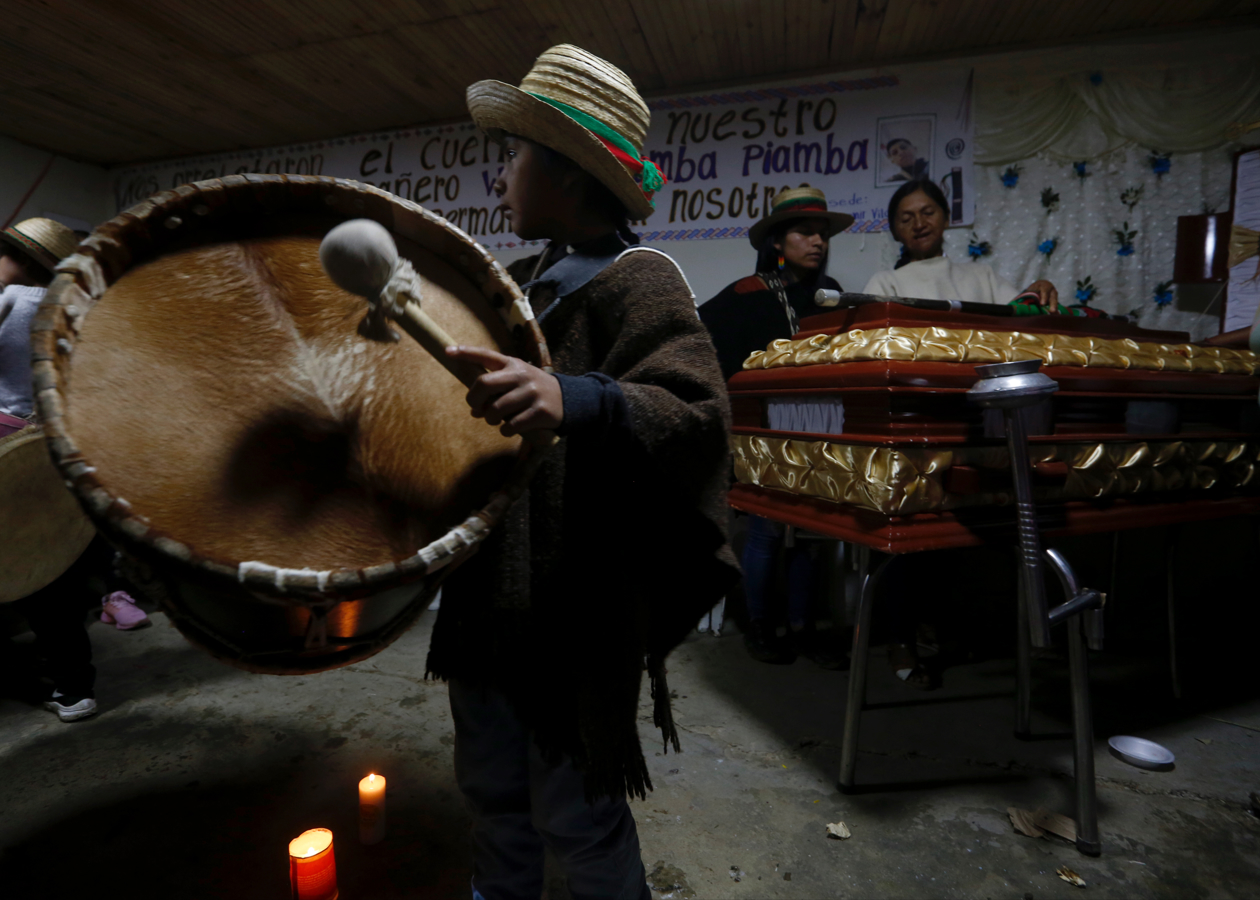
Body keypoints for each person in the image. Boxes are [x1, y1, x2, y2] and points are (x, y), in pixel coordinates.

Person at [427, 45, 738, 899]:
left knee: (576, 808)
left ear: (565, 175)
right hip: (490, 595)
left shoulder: (642, 279)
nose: (502, 177)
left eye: (515, 157)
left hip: (576, 602)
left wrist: (579, 399)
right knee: (489, 787)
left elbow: (697, 411)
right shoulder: (518, 284)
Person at [0, 218, 147, 722]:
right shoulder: (82, 310)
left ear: (21, 258)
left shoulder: (14, 298)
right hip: (53, 449)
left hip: (6, 443)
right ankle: (73, 687)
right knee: (53, 574)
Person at [699, 187, 852, 668]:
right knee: (767, 531)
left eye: (822, 234)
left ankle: (804, 628)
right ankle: (761, 626)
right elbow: (704, 347)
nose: (817, 242)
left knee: (811, 534)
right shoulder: (749, 294)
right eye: (804, 232)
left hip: (818, 430)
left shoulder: (831, 300)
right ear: (777, 243)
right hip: (762, 435)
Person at [865, 179, 1058, 310]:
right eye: (907, 219)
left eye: (928, 213)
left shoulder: (983, 276)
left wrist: (1038, 291)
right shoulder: (885, 283)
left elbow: (1020, 318)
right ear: (895, 232)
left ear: (946, 218)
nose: (919, 224)